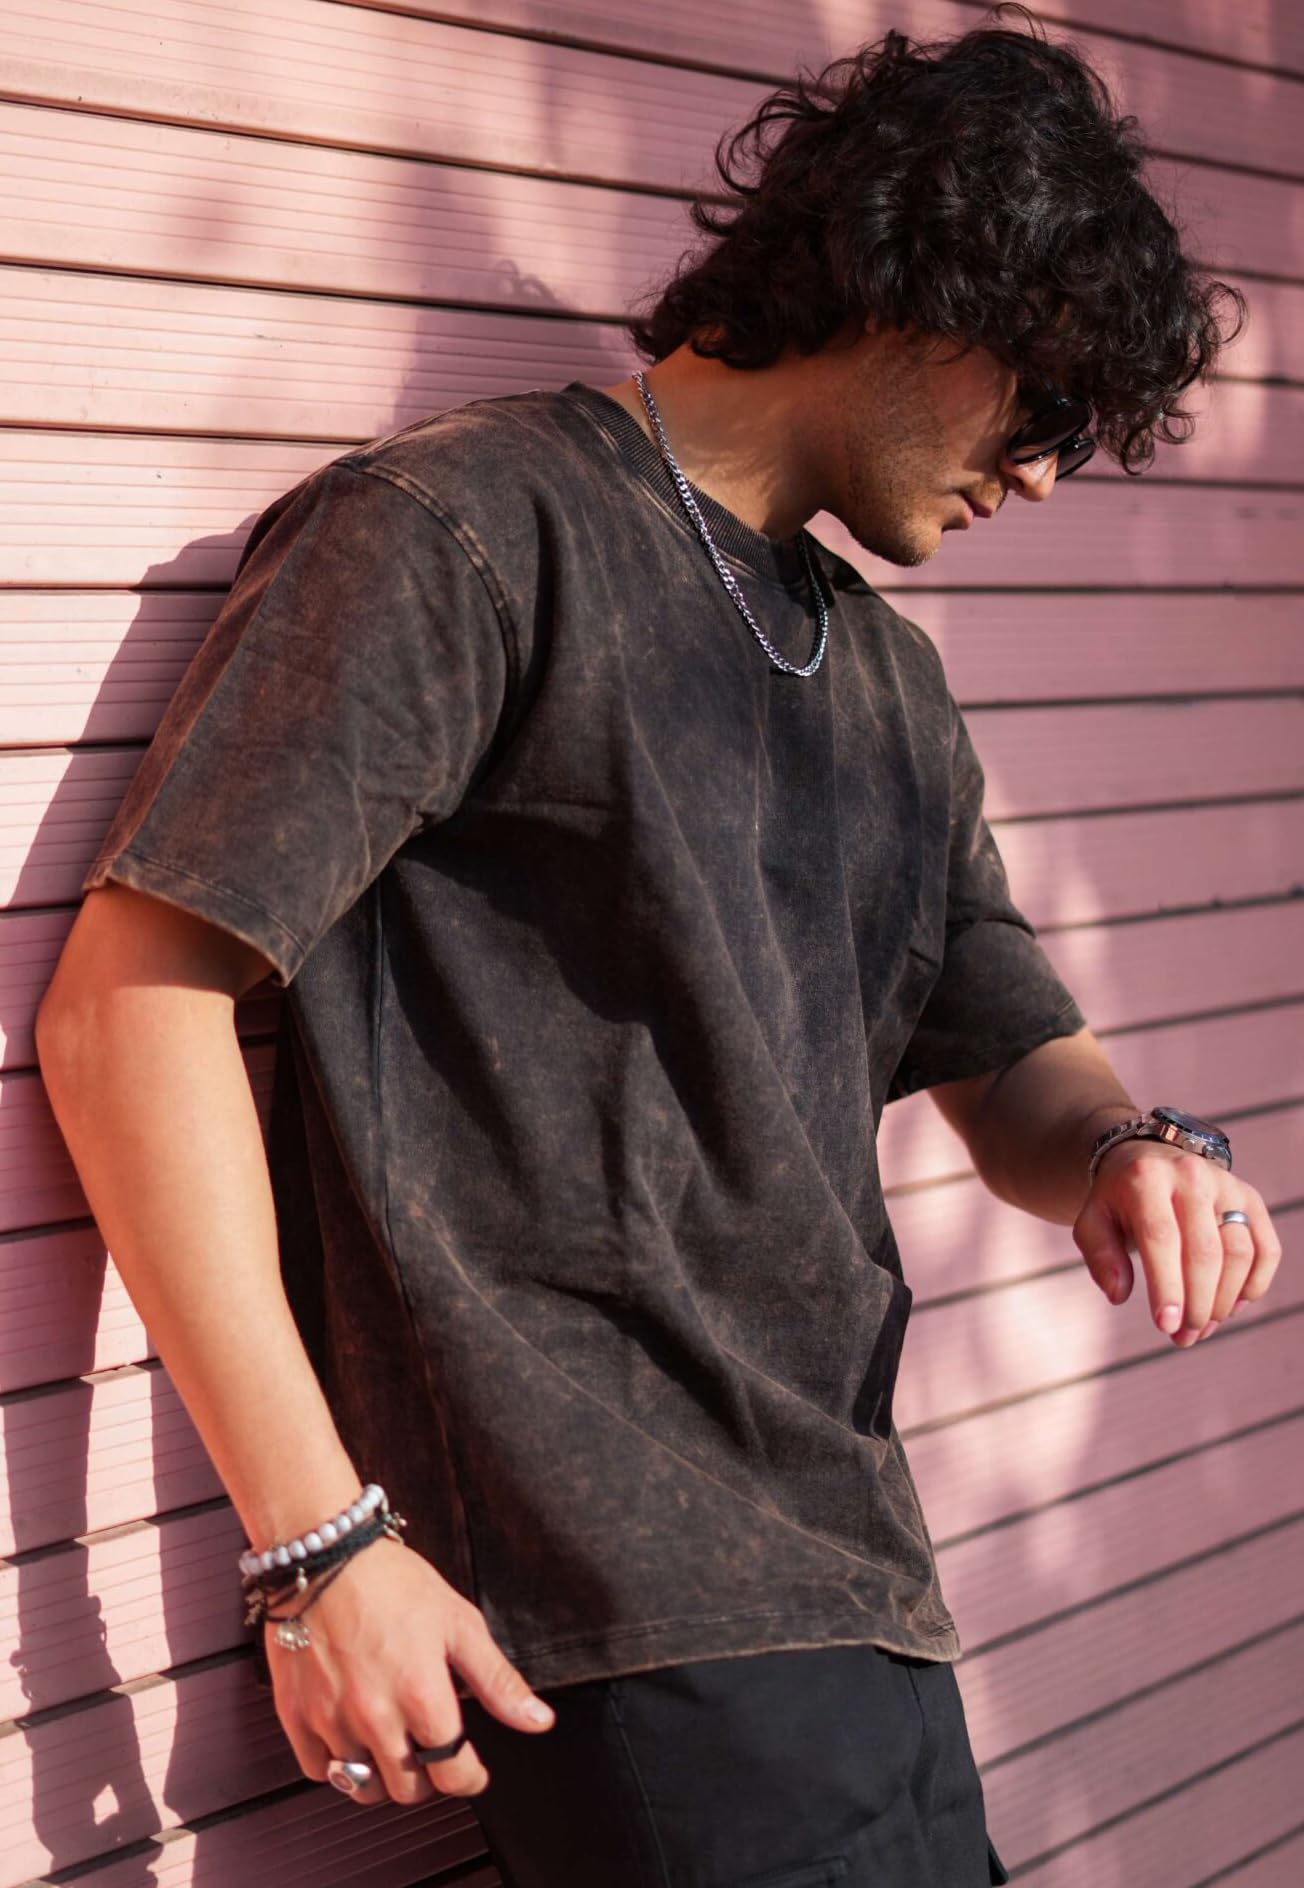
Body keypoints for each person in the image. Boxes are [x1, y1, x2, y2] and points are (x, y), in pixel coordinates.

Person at [34, 9, 1279, 1886]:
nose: (1042, 476)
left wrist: (1125, 1149)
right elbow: (132, 1009)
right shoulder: (467, 533)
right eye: (1045, 407)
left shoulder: (887, 681)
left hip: (860, 1582)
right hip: (622, 1610)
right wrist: (318, 1546)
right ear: (928, 299)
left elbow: (1016, 1057)